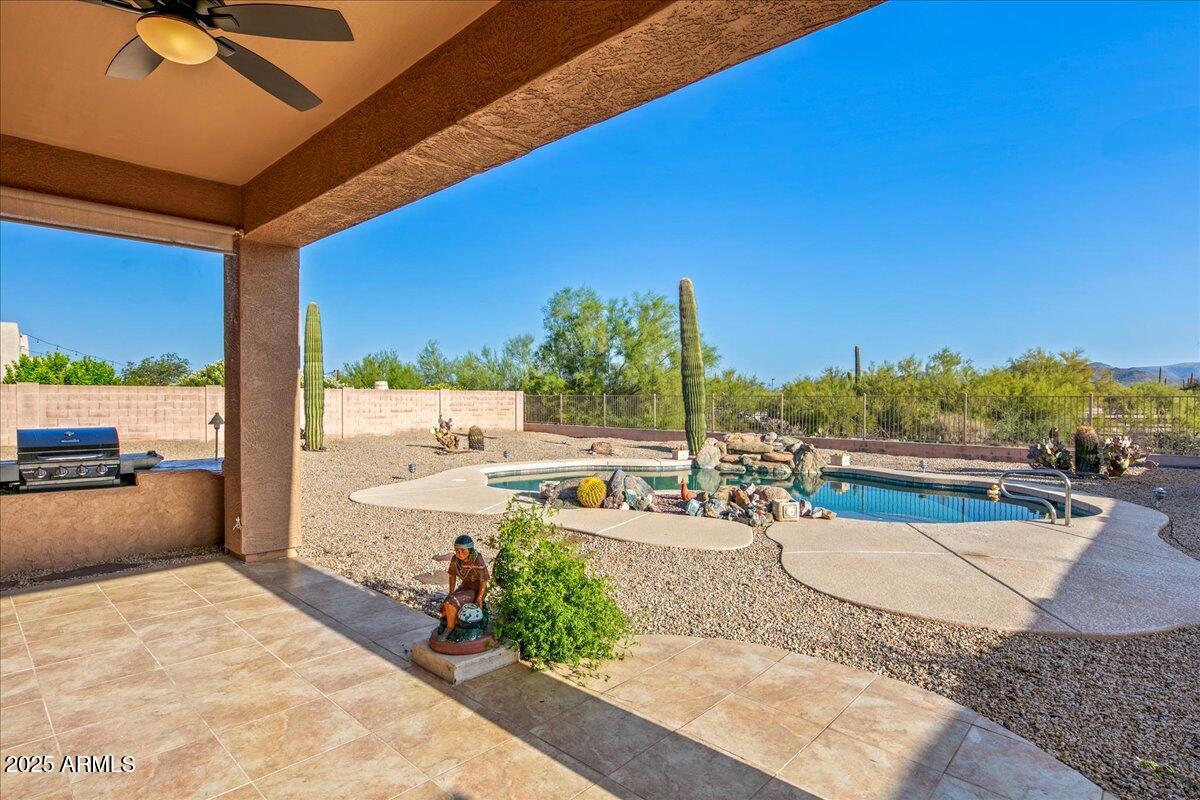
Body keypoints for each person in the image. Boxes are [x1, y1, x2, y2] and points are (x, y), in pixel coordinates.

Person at [439, 534, 489, 642]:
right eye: (457, 550)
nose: (459, 553)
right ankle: (456, 620)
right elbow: (452, 575)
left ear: (470, 550)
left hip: (476, 590)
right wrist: (451, 592)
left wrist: (479, 597)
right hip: (465, 587)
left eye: (463, 550)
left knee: (451, 602)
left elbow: (483, 581)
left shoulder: (477, 560)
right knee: (444, 610)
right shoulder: (455, 560)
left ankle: (450, 628)